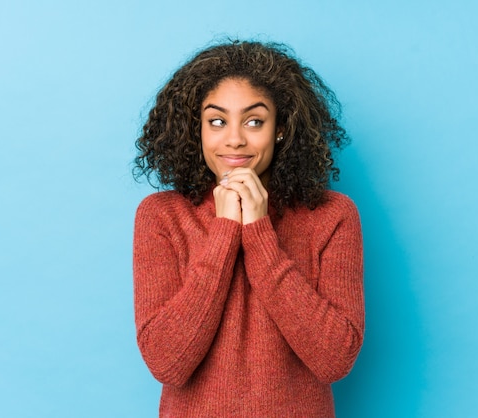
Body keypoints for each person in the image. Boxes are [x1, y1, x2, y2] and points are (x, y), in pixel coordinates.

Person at [132, 40, 364, 417]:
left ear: (281, 129)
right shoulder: (161, 216)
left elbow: (334, 360)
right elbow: (167, 363)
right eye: (217, 121)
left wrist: (258, 232)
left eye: (254, 121)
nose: (235, 138)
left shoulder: (332, 216)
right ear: (198, 131)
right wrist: (225, 230)